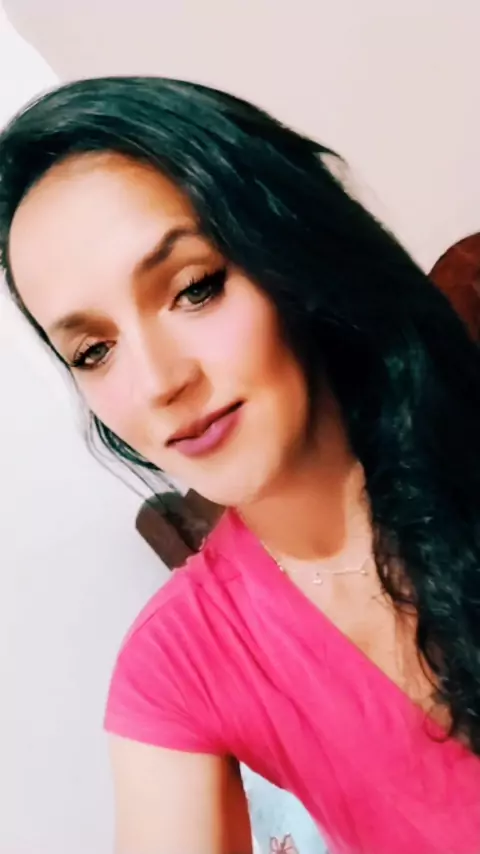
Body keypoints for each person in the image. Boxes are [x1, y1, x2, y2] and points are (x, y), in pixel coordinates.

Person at [0, 77, 479, 854]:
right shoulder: (182, 660)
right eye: (93, 351)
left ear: (292, 252)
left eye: (195, 289)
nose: (157, 383)